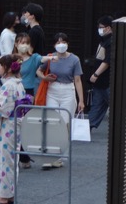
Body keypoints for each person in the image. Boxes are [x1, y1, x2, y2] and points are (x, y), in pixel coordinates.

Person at [36, 33, 84, 169]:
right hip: (53, 89)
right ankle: (51, 155)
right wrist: (45, 79)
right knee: (51, 121)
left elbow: (78, 80)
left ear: (68, 43)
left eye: (63, 42)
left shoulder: (74, 59)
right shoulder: (50, 57)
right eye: (58, 42)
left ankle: (62, 154)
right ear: (54, 45)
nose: (61, 44)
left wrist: (81, 100)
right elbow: (39, 70)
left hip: (68, 90)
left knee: (64, 122)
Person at [0, 54, 26, 204]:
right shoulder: (18, 84)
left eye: (1, 65)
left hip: (8, 124)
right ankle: (9, 194)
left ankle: (4, 196)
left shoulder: (8, 85)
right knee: (11, 160)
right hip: (16, 124)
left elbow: (1, 109)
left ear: (8, 69)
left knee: (4, 161)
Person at [14, 33, 54, 168]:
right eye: (21, 42)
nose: (23, 45)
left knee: (24, 124)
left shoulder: (34, 58)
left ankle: (23, 156)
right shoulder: (12, 59)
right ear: (16, 44)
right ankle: (22, 156)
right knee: (14, 125)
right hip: (13, 92)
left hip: (27, 93)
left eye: (26, 42)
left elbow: (43, 59)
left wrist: (54, 57)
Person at [89, 16, 113, 130]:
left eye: (101, 27)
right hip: (100, 82)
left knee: (113, 106)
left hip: (107, 80)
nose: (99, 30)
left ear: (108, 28)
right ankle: (87, 128)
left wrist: (96, 74)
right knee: (97, 105)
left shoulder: (111, 41)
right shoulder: (104, 41)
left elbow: (107, 61)